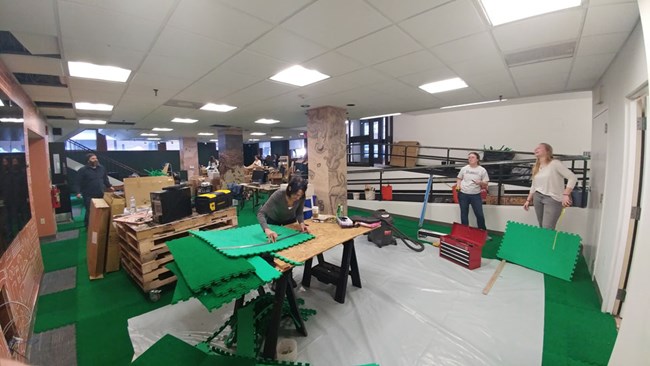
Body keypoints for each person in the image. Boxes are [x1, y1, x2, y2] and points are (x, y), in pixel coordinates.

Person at [523, 143, 577, 229]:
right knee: (541, 226)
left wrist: (566, 194)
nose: (536, 149)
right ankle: (544, 242)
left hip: (553, 199)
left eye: (539, 148)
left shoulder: (555, 163)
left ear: (547, 151)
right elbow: (534, 185)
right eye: (536, 148)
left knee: (548, 227)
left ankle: (547, 242)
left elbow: (572, 177)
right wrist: (528, 200)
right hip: (537, 197)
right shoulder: (536, 166)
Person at [257, 176, 310, 242]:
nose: (298, 198)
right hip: (274, 221)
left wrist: (302, 223)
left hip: (290, 221)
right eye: (296, 195)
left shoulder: (301, 197)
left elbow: (299, 213)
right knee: (273, 242)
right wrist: (267, 229)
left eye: (300, 195)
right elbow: (261, 213)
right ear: (290, 188)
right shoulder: (278, 195)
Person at [76, 153, 113, 226]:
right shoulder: (82, 170)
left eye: (96, 158)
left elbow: (105, 179)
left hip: (100, 193)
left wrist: (109, 186)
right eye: (93, 158)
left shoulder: (102, 168)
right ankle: (89, 227)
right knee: (90, 211)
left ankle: (100, 225)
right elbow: (78, 182)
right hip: (88, 194)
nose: (95, 160)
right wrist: (78, 192)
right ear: (88, 161)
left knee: (101, 209)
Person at [456, 152, 489, 231]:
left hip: (476, 195)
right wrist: (458, 187)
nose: (470, 159)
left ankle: (482, 232)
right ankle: (465, 232)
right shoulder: (464, 168)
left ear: (477, 159)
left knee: (479, 214)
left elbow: (486, 183)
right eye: (469, 157)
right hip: (463, 194)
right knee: (464, 214)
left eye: (472, 157)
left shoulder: (482, 170)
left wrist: (480, 182)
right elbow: (459, 178)